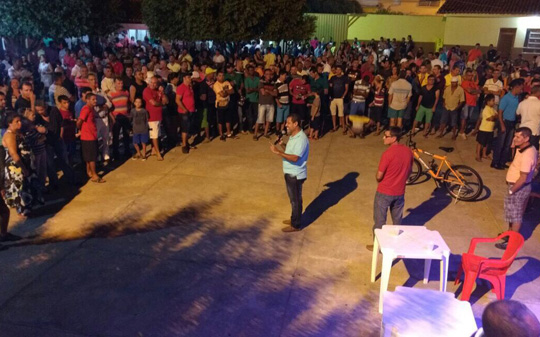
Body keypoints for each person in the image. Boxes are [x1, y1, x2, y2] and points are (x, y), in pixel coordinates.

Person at [368, 126, 413, 251]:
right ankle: (395, 244)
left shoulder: (387, 154)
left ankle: (378, 247)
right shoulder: (408, 151)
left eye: (386, 136)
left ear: (394, 138)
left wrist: (378, 178)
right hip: (400, 192)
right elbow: (410, 171)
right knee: (397, 220)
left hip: (384, 192)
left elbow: (379, 175)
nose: (383, 138)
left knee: (379, 222)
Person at [496, 127, 538, 249]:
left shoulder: (527, 155)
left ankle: (512, 242)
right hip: (515, 186)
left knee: (516, 216)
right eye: (515, 136)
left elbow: (523, 178)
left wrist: (511, 190)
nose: (515, 139)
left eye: (518, 137)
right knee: (511, 213)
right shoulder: (524, 148)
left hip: (519, 188)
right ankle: (509, 234)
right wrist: (514, 145)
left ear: (526, 138)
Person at [269, 113, 309, 232]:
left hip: (295, 174)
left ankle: (296, 225)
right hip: (290, 173)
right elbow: (291, 151)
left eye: (288, 123)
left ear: (296, 124)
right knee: (294, 199)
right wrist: (282, 145)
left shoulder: (301, 139)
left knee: (295, 200)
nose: (286, 125)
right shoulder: (293, 135)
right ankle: (294, 218)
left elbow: (295, 158)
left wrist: (278, 152)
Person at [2, 113, 34, 217]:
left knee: (24, 189)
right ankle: (23, 211)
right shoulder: (9, 135)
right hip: (16, 167)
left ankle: (25, 209)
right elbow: (13, 154)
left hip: (23, 164)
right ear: (9, 123)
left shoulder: (17, 133)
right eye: (17, 121)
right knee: (20, 190)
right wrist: (23, 168)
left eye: (20, 121)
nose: (20, 123)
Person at [491, 80, 523, 169]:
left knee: (507, 144)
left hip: (512, 122)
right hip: (505, 121)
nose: (521, 90)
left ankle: (502, 161)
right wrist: (502, 125)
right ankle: (495, 162)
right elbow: (500, 112)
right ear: (516, 87)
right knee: (500, 144)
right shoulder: (506, 98)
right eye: (520, 88)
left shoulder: (517, 98)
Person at [77, 93, 105, 183]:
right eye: (93, 99)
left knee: (88, 157)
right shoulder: (86, 109)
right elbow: (80, 121)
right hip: (88, 136)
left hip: (90, 135)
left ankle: (89, 172)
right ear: (87, 100)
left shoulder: (91, 109)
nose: (95, 101)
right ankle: (94, 175)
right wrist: (80, 129)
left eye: (95, 99)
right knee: (92, 157)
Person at [143, 76, 167, 161]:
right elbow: (153, 103)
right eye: (152, 82)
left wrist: (162, 93)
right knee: (155, 136)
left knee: (158, 134)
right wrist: (162, 103)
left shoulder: (158, 91)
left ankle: (154, 150)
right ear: (149, 83)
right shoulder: (146, 91)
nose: (153, 84)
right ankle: (158, 153)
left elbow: (166, 100)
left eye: (155, 83)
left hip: (158, 116)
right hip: (152, 117)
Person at [110, 78, 131, 159]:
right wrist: (112, 118)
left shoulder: (126, 92)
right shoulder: (111, 94)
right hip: (117, 117)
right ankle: (116, 153)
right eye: (118, 83)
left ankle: (127, 151)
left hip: (125, 117)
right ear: (115, 84)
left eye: (121, 83)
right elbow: (109, 107)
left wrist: (129, 114)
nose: (120, 85)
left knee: (126, 135)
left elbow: (129, 103)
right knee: (116, 136)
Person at [176, 73, 196, 153]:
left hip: (191, 110)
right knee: (185, 128)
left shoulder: (190, 86)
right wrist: (184, 109)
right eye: (188, 77)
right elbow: (177, 100)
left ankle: (186, 143)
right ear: (184, 78)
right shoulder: (181, 87)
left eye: (190, 77)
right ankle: (184, 145)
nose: (190, 78)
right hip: (184, 111)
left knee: (188, 128)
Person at [516, 85, 540, 149]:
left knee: (521, 150)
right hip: (534, 131)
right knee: (531, 152)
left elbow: (517, 113)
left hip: (522, 130)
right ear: (538, 92)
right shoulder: (538, 103)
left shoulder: (522, 103)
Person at [213, 70, 234, 141]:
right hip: (220, 103)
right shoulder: (216, 85)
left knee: (228, 119)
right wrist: (228, 91)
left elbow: (232, 91)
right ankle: (221, 134)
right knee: (220, 120)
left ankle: (228, 133)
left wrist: (225, 92)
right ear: (217, 77)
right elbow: (222, 94)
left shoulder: (226, 82)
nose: (222, 77)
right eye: (220, 75)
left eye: (223, 75)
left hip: (227, 102)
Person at [255, 69, 277, 139]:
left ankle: (265, 133)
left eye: (270, 74)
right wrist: (271, 92)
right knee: (259, 119)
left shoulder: (273, 82)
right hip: (262, 103)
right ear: (264, 75)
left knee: (269, 120)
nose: (269, 75)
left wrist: (268, 91)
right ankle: (255, 134)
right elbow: (263, 93)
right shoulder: (261, 82)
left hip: (271, 103)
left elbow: (275, 93)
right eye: (267, 74)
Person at [476, 94, 497, 162]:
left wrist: (494, 117)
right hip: (483, 129)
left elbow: (495, 116)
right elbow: (490, 118)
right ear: (488, 102)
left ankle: (484, 154)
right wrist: (494, 117)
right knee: (480, 143)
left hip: (490, 129)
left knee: (487, 143)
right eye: (492, 101)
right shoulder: (486, 109)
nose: (494, 102)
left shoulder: (492, 109)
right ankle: (478, 155)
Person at [328, 65, 348, 132]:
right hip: (333, 98)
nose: (337, 71)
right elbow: (330, 87)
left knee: (341, 114)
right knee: (333, 114)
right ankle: (334, 127)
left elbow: (346, 88)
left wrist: (343, 96)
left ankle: (344, 128)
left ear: (341, 71)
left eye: (339, 69)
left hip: (340, 98)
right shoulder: (332, 78)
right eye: (337, 69)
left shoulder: (344, 78)